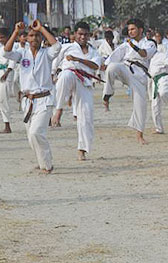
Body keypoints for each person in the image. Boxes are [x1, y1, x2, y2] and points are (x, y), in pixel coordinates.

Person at [2, 20, 60, 173]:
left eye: (37, 36)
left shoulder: (47, 54)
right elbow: (6, 52)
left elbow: (57, 47)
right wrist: (16, 32)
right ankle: (42, 162)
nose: (34, 38)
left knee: (36, 132)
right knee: (31, 137)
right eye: (31, 36)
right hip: (28, 101)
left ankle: (48, 165)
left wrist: (41, 28)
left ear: (41, 38)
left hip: (44, 99)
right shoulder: (22, 54)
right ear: (26, 38)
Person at [51, 21, 102, 160]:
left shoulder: (93, 51)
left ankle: (82, 149)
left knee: (86, 116)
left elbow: (95, 65)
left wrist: (77, 59)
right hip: (70, 74)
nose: (83, 37)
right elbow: (55, 62)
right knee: (66, 75)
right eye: (80, 34)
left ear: (89, 35)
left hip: (85, 82)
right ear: (75, 34)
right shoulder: (67, 47)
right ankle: (58, 110)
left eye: (85, 34)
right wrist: (52, 74)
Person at [102, 18, 157, 144]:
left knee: (140, 104)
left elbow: (144, 54)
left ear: (140, 30)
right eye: (129, 29)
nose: (130, 31)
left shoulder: (149, 43)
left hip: (140, 74)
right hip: (126, 68)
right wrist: (104, 64)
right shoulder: (126, 44)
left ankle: (139, 135)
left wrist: (134, 47)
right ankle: (107, 95)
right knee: (112, 67)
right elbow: (114, 56)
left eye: (133, 29)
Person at [148, 42, 168, 134]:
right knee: (155, 106)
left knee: (163, 93)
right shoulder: (148, 59)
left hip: (163, 77)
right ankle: (159, 128)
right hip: (154, 81)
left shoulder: (161, 55)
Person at [0, 27, 17, 133]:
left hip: (6, 73)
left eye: (2, 37)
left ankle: (7, 125)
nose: (1, 39)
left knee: (4, 99)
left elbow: (12, 61)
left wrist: (6, 73)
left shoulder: (12, 47)